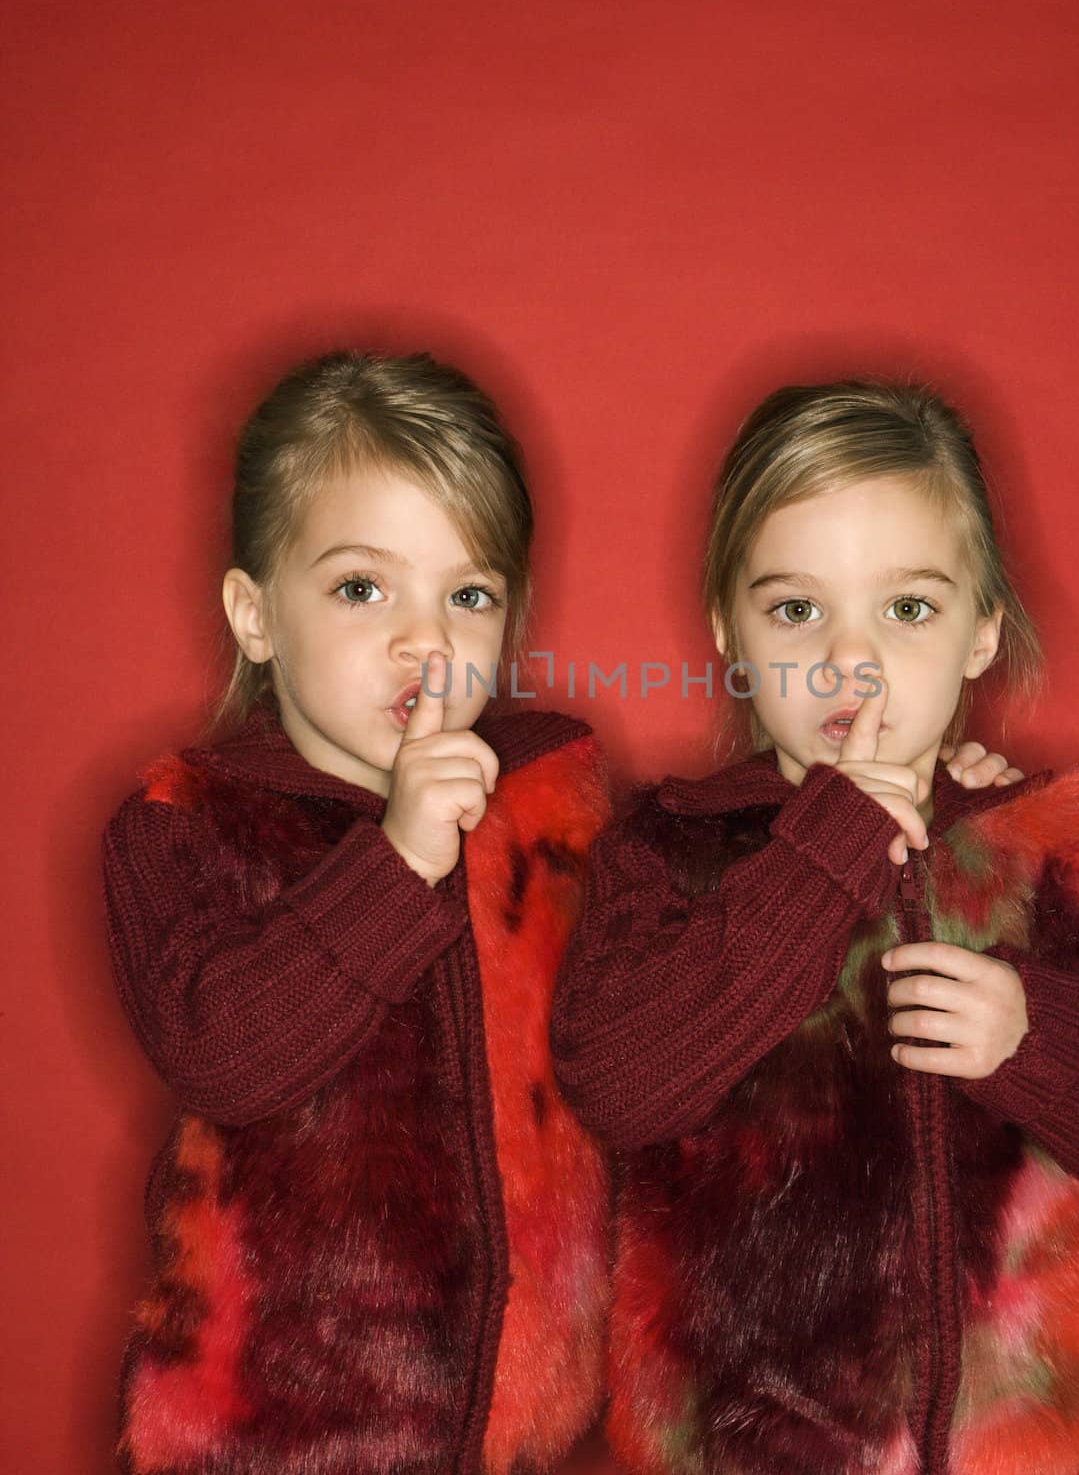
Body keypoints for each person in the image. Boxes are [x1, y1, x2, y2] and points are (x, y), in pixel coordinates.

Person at [550, 379, 1079, 1475]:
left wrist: (1033, 1037)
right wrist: (827, 847)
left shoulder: (1043, 849)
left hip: (1022, 1447)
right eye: (795, 610)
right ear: (729, 629)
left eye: (906, 609)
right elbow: (617, 1081)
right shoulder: (671, 850)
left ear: (979, 633)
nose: (849, 658)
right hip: (743, 1447)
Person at [103, 351, 612, 1475]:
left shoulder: (553, 802)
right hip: (272, 1429)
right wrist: (397, 858)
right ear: (255, 615)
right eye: (360, 587)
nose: (425, 640)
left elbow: (662, 1030)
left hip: (532, 1433)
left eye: (467, 595)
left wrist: (929, 795)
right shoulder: (188, 820)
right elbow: (224, 1052)